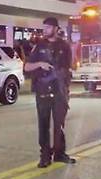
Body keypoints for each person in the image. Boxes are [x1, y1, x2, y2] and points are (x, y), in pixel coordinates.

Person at [24, 17, 76, 168]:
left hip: (59, 89)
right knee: (43, 124)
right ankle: (45, 156)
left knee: (59, 123)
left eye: (47, 27)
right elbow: (27, 67)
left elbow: (68, 67)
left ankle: (59, 153)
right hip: (42, 89)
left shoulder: (64, 46)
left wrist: (65, 85)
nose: (45, 30)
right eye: (44, 27)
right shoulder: (39, 46)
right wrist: (40, 64)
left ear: (55, 29)